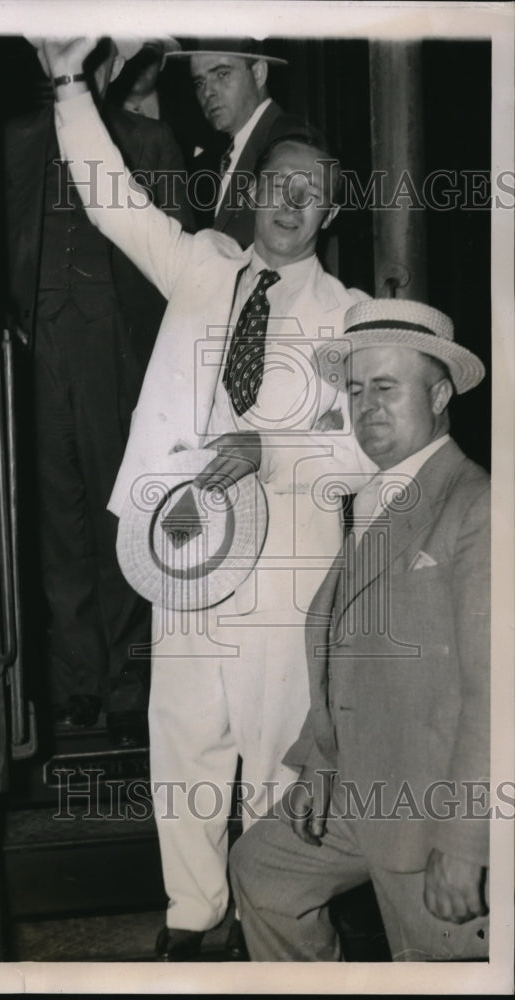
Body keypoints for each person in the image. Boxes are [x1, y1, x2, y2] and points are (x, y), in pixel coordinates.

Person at [43, 37, 377, 960]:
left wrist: (273, 450)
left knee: (275, 764)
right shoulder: (201, 267)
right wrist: (70, 86)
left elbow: (366, 453)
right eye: (280, 185)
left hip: (286, 580)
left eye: (312, 192)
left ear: (331, 211)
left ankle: (272, 926)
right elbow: (110, 198)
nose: (292, 203)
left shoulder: (349, 321)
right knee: (184, 746)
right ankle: (195, 919)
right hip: (186, 556)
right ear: (257, 191)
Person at [229, 297, 490, 961]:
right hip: (358, 786)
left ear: (437, 394)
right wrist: (321, 759)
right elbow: (347, 653)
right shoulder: (378, 498)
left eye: (385, 387)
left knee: (434, 966)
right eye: (353, 389)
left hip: (432, 808)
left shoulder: (478, 504)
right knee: (263, 870)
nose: (364, 405)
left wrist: (465, 844)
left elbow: (500, 696)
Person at [4, 38, 193, 746]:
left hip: (118, 349)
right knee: (57, 521)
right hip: (40, 350)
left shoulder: (151, 140)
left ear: (111, 65)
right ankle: (77, 682)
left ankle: (125, 682)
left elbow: (180, 255)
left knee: (122, 515)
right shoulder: (16, 141)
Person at [169, 37, 299, 245]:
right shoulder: (223, 152)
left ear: (258, 74)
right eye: (199, 82)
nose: (208, 92)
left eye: (222, 74)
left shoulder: (290, 143)